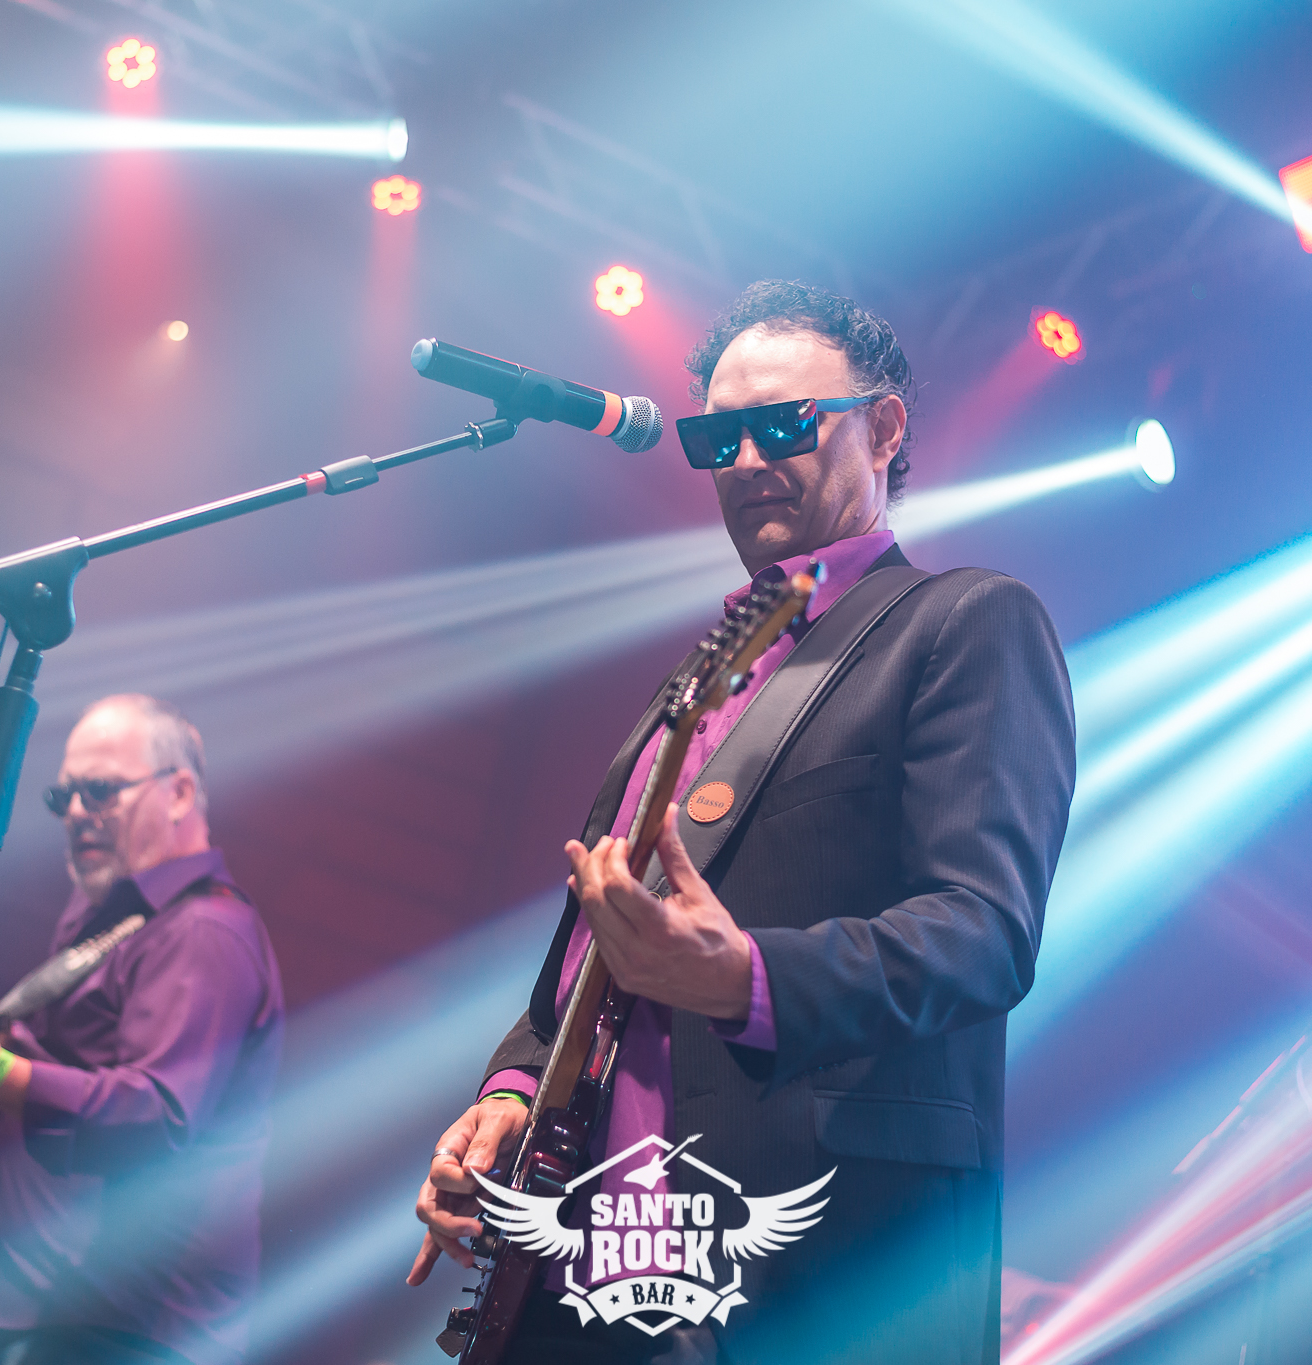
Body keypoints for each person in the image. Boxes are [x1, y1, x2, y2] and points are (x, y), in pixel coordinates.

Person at [408, 281, 1077, 1364]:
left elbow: (982, 934)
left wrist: (746, 979)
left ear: (884, 428)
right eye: (718, 438)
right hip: (582, 1269)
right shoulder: (698, 680)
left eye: (786, 424)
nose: (749, 459)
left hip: (808, 1268)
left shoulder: (963, 621)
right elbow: (595, 950)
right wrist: (515, 1086)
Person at [0, 694, 284, 1365]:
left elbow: (157, 1116)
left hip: (119, 1329)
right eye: (64, 796)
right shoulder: (107, 913)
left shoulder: (206, 932)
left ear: (178, 792)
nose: (77, 811)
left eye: (101, 790)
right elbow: (60, 1061)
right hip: (27, 1309)